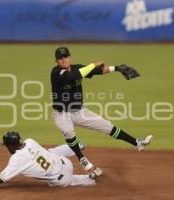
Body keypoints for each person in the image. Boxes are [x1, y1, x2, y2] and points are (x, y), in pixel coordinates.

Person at [50, 47, 153, 175]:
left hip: (79, 112)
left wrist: (117, 68)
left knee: (107, 126)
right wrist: (92, 64)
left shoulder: (78, 68)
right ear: (56, 61)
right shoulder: (56, 73)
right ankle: (82, 159)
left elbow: (97, 71)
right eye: (60, 58)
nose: (63, 60)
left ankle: (137, 142)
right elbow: (73, 76)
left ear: (70, 57)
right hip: (61, 114)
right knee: (69, 132)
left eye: (65, 57)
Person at [0, 131, 98, 189]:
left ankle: (89, 179)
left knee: (57, 181)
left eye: (6, 145)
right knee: (49, 152)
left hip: (62, 179)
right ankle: (76, 147)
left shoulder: (16, 161)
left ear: (11, 145)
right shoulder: (30, 141)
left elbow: (1, 179)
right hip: (66, 162)